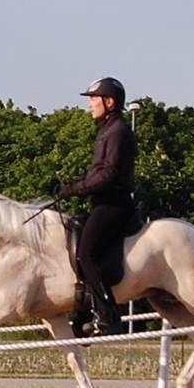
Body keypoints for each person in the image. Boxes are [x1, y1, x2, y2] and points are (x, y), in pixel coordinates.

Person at [57, 77, 137, 335]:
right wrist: (73, 186)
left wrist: (76, 188)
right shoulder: (107, 129)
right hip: (101, 202)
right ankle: (84, 313)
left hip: (115, 205)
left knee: (85, 254)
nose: (90, 105)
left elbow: (108, 175)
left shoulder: (119, 131)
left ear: (109, 101)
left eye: (94, 99)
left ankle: (108, 316)